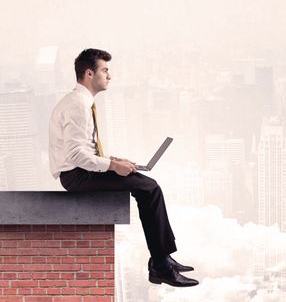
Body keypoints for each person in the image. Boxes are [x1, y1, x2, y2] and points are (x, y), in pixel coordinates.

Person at [48, 48, 198, 287]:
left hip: (81, 171)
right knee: (149, 188)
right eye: (105, 70)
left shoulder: (80, 102)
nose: (109, 76)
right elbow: (75, 155)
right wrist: (111, 166)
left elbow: (84, 149)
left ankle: (163, 258)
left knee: (144, 184)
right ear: (89, 73)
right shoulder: (77, 105)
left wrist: (115, 161)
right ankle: (161, 265)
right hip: (76, 176)